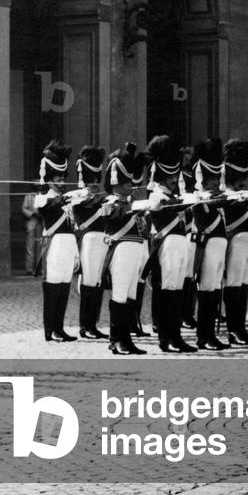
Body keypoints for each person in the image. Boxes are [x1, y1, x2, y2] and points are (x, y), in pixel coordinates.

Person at [144, 135, 196, 353]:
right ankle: (166, 337)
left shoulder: (175, 193)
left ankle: (175, 335)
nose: (175, 179)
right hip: (166, 242)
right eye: (171, 177)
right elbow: (153, 206)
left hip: (180, 241)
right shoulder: (156, 194)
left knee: (177, 290)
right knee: (167, 289)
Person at [103, 142, 149, 355]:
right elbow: (116, 215)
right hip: (121, 251)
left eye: (130, 182)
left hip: (135, 250)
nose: (130, 185)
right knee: (120, 295)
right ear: (116, 183)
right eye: (125, 182)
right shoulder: (110, 202)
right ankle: (116, 340)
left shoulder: (129, 202)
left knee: (131, 295)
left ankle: (126, 339)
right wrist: (139, 206)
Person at [188, 139, 229, 350]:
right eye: (210, 178)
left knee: (213, 290)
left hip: (219, 243)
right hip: (207, 243)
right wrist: (209, 199)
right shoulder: (197, 198)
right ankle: (203, 336)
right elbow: (201, 221)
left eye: (216, 178)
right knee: (206, 289)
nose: (215, 182)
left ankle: (210, 333)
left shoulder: (218, 197)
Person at [35, 141, 77, 343]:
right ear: (50, 179)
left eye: (62, 178)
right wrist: (61, 199)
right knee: (52, 288)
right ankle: (49, 330)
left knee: (64, 288)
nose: (61, 182)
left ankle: (59, 328)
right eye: (58, 179)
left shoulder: (65, 198)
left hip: (68, 245)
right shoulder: (43, 197)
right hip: (54, 245)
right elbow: (45, 207)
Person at [220, 140, 248, 346]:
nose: (246, 180)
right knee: (234, 283)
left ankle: (241, 327)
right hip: (235, 238)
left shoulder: (241, 193)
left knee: (243, 285)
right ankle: (233, 330)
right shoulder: (227, 194)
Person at [70, 145, 108, 339]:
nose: (94, 185)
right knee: (90, 283)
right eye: (91, 182)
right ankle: (85, 326)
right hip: (89, 240)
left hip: (102, 241)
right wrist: (89, 197)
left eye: (96, 182)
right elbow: (79, 210)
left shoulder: (100, 198)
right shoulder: (78, 196)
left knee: (98, 283)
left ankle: (92, 324)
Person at [21, 187, 43, 275]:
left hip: (41, 222)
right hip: (31, 221)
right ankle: (29, 269)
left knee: (40, 246)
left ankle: (39, 268)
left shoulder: (43, 195)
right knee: (29, 246)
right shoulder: (29, 196)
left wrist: (42, 215)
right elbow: (24, 209)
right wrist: (33, 214)